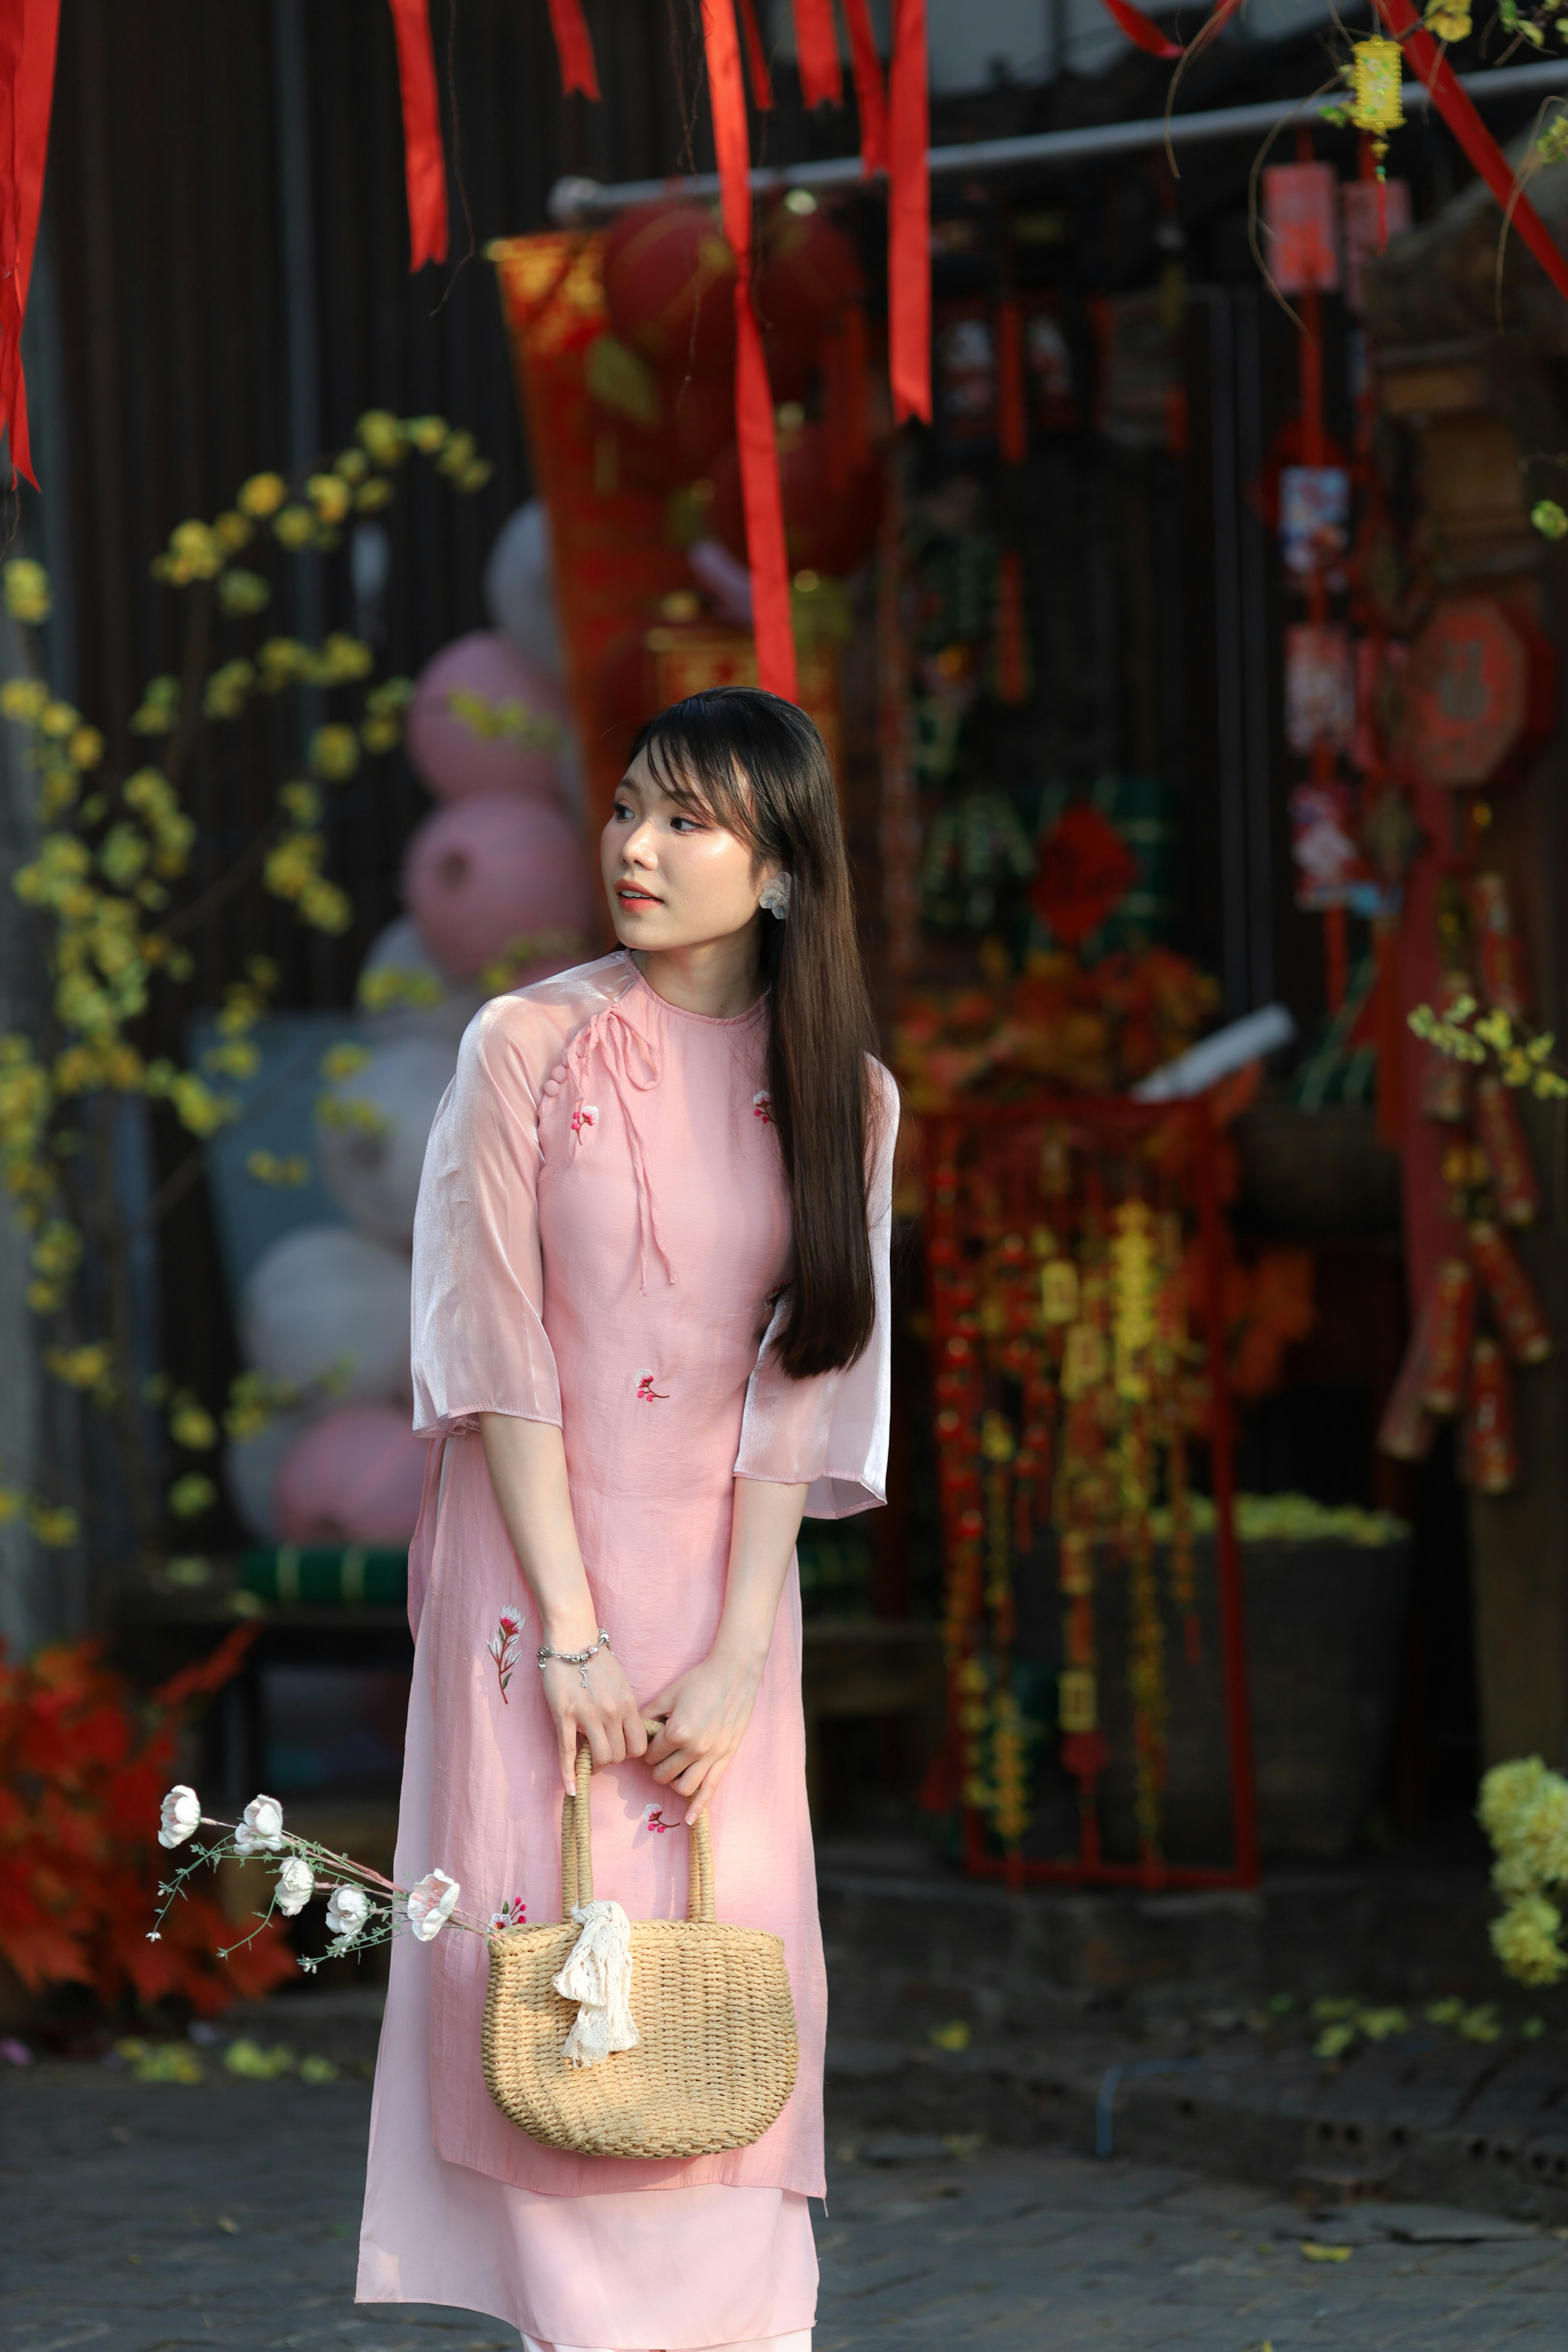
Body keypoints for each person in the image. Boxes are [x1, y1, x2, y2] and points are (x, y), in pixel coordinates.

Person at [358, 687, 897, 2352]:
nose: (636, 850)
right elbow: (489, 1350)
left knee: (722, 1977)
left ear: (786, 867)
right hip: (537, 1587)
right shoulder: (523, 1045)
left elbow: (800, 1390)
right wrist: (571, 1633)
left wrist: (735, 1651)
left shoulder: (847, 1099)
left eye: (687, 821)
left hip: (722, 1597)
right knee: (548, 1968)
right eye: (626, 811)